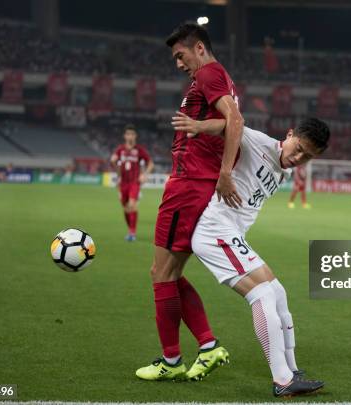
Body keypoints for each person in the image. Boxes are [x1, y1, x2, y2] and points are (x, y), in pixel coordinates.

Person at [179, 116, 330, 397]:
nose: (298, 158)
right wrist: (200, 126)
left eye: (307, 157)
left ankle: (292, 369)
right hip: (215, 234)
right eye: (297, 148)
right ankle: (282, 380)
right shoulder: (258, 142)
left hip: (231, 236)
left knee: (278, 292)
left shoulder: (283, 171)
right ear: (288, 134)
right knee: (262, 295)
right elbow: (231, 126)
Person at [136, 22, 244, 382]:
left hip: (190, 184)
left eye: (180, 56)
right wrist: (202, 128)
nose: (179, 64)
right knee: (167, 273)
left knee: (161, 274)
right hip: (192, 183)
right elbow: (225, 121)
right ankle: (207, 345)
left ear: (199, 48)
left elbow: (235, 120)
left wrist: (224, 172)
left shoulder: (210, 74)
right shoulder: (217, 77)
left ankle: (172, 360)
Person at [110, 124, 154, 241]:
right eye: (128, 134)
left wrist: (145, 175)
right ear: (124, 136)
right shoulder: (120, 149)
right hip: (123, 183)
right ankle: (130, 229)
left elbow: (150, 163)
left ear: (135, 136)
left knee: (132, 205)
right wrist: (114, 163)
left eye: (132, 134)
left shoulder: (139, 150)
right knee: (126, 208)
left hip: (134, 182)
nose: (130, 136)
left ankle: (132, 233)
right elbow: (115, 164)